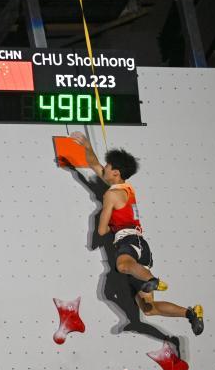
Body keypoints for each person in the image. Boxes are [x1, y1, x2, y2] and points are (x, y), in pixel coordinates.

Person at [70, 132, 203, 335]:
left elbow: (102, 230)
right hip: (140, 247)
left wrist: (103, 228)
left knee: (121, 267)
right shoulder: (126, 188)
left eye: (108, 166)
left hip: (129, 243)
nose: (104, 168)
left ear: (115, 173)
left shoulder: (111, 194)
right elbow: (94, 164)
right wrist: (87, 147)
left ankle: (152, 280)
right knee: (149, 309)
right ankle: (190, 313)